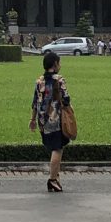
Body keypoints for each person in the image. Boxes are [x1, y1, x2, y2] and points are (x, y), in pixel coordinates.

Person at [30, 51, 71, 192]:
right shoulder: (59, 80)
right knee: (57, 148)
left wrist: (32, 119)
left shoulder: (39, 81)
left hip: (42, 119)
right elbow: (66, 100)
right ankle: (52, 180)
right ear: (55, 64)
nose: (60, 65)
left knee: (53, 147)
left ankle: (56, 177)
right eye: (59, 62)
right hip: (56, 119)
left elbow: (35, 102)